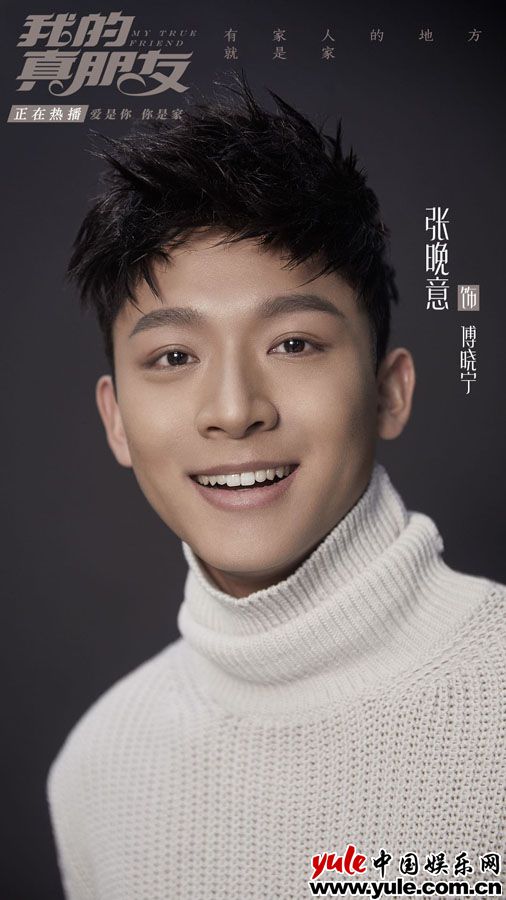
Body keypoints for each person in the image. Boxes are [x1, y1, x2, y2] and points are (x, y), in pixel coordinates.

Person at [46, 73, 505, 899]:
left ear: (389, 392)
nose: (234, 410)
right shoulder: (97, 768)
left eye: (294, 344)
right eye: (173, 356)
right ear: (115, 420)